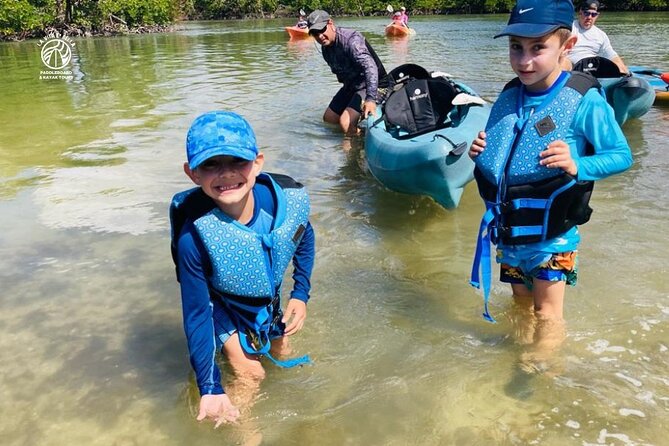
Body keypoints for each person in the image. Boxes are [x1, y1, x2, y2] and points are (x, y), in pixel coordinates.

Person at [468, 0, 632, 371]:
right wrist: (481, 152)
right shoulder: (511, 95)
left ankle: (538, 379)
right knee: (521, 305)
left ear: (566, 46)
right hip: (510, 234)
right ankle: (521, 355)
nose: (524, 61)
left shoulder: (583, 100)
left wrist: (579, 163)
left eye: (538, 48)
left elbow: (621, 155)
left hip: (552, 236)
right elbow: (501, 158)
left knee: (547, 312)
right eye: (516, 48)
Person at [170, 111, 316, 427]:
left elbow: (304, 235)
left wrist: (300, 294)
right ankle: (247, 434)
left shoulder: (285, 206)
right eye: (210, 164)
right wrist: (209, 387)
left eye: (237, 161)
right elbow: (196, 314)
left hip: (266, 301)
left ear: (258, 163)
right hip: (220, 306)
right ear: (192, 173)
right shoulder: (193, 239)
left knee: (283, 348)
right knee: (253, 373)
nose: (226, 173)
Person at [306, 9, 388, 135]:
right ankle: (357, 134)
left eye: (322, 30)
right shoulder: (326, 49)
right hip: (353, 85)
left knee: (345, 122)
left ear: (331, 23)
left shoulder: (351, 40)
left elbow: (370, 67)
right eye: (315, 34)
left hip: (376, 85)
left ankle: (356, 148)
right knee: (329, 118)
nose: (320, 36)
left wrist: (370, 99)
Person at [564, 0, 628, 74]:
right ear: (580, 13)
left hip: (592, 67)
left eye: (593, 15)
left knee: (620, 67)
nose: (589, 17)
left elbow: (611, 55)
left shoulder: (601, 35)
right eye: (586, 13)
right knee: (563, 61)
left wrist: (622, 69)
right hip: (570, 65)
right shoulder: (568, 28)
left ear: (597, 16)